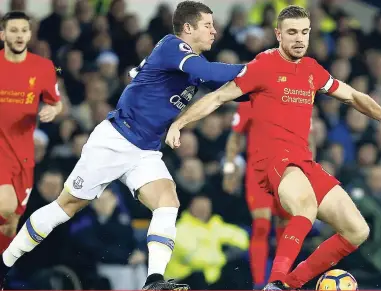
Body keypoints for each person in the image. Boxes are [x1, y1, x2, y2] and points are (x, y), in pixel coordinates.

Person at [0, 1, 248, 290]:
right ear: (188, 28)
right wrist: (261, 68)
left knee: (168, 201)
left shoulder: (193, 65)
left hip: (145, 152)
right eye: (208, 25)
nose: (214, 31)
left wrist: (265, 84)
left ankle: (154, 280)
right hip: (116, 140)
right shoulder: (173, 47)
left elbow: (231, 88)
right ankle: (4, 262)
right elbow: (218, 73)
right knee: (65, 207)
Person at [164, 5, 381, 291]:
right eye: (292, 32)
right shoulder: (262, 65)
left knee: (357, 230)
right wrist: (178, 124)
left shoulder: (311, 70)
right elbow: (218, 97)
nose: (299, 39)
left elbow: (353, 95)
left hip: (303, 161)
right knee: (302, 209)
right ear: (278, 34)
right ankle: (274, 284)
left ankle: (290, 284)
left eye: (304, 32)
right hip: (272, 160)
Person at [0, 11, 62, 254]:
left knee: (12, 222)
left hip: (24, 155)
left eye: (24, 30)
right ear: (3, 34)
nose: (19, 35)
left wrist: (52, 111)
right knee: (5, 207)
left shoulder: (43, 67)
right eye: (13, 30)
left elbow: (56, 102)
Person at [223, 102, 293, 288]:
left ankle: (282, 280)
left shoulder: (292, 98)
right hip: (258, 172)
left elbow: (308, 138)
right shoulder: (250, 102)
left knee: (286, 225)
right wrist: (229, 168)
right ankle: (259, 283)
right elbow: (235, 137)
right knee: (262, 224)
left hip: (287, 170)